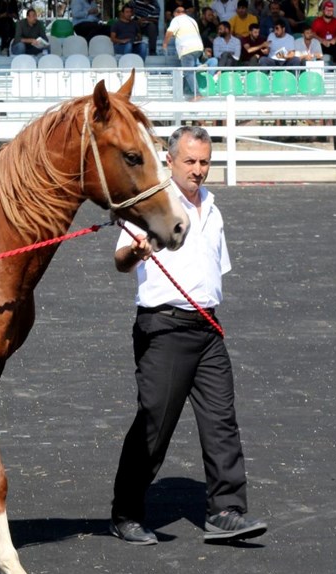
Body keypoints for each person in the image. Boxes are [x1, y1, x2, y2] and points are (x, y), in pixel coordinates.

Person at [109, 126, 268, 547]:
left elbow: (216, 269)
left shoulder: (213, 209)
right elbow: (121, 260)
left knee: (221, 421)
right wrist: (138, 251)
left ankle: (226, 510)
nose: (198, 170)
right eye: (190, 162)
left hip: (208, 327)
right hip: (163, 327)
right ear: (170, 160)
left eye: (204, 162)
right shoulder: (152, 205)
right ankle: (125, 512)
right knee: (154, 424)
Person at [164, 6, 203, 100]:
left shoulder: (177, 19)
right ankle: (181, 90)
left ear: (176, 13)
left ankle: (197, 94)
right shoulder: (192, 20)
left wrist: (165, 44)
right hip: (198, 48)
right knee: (187, 70)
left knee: (188, 72)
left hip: (187, 48)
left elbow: (169, 32)